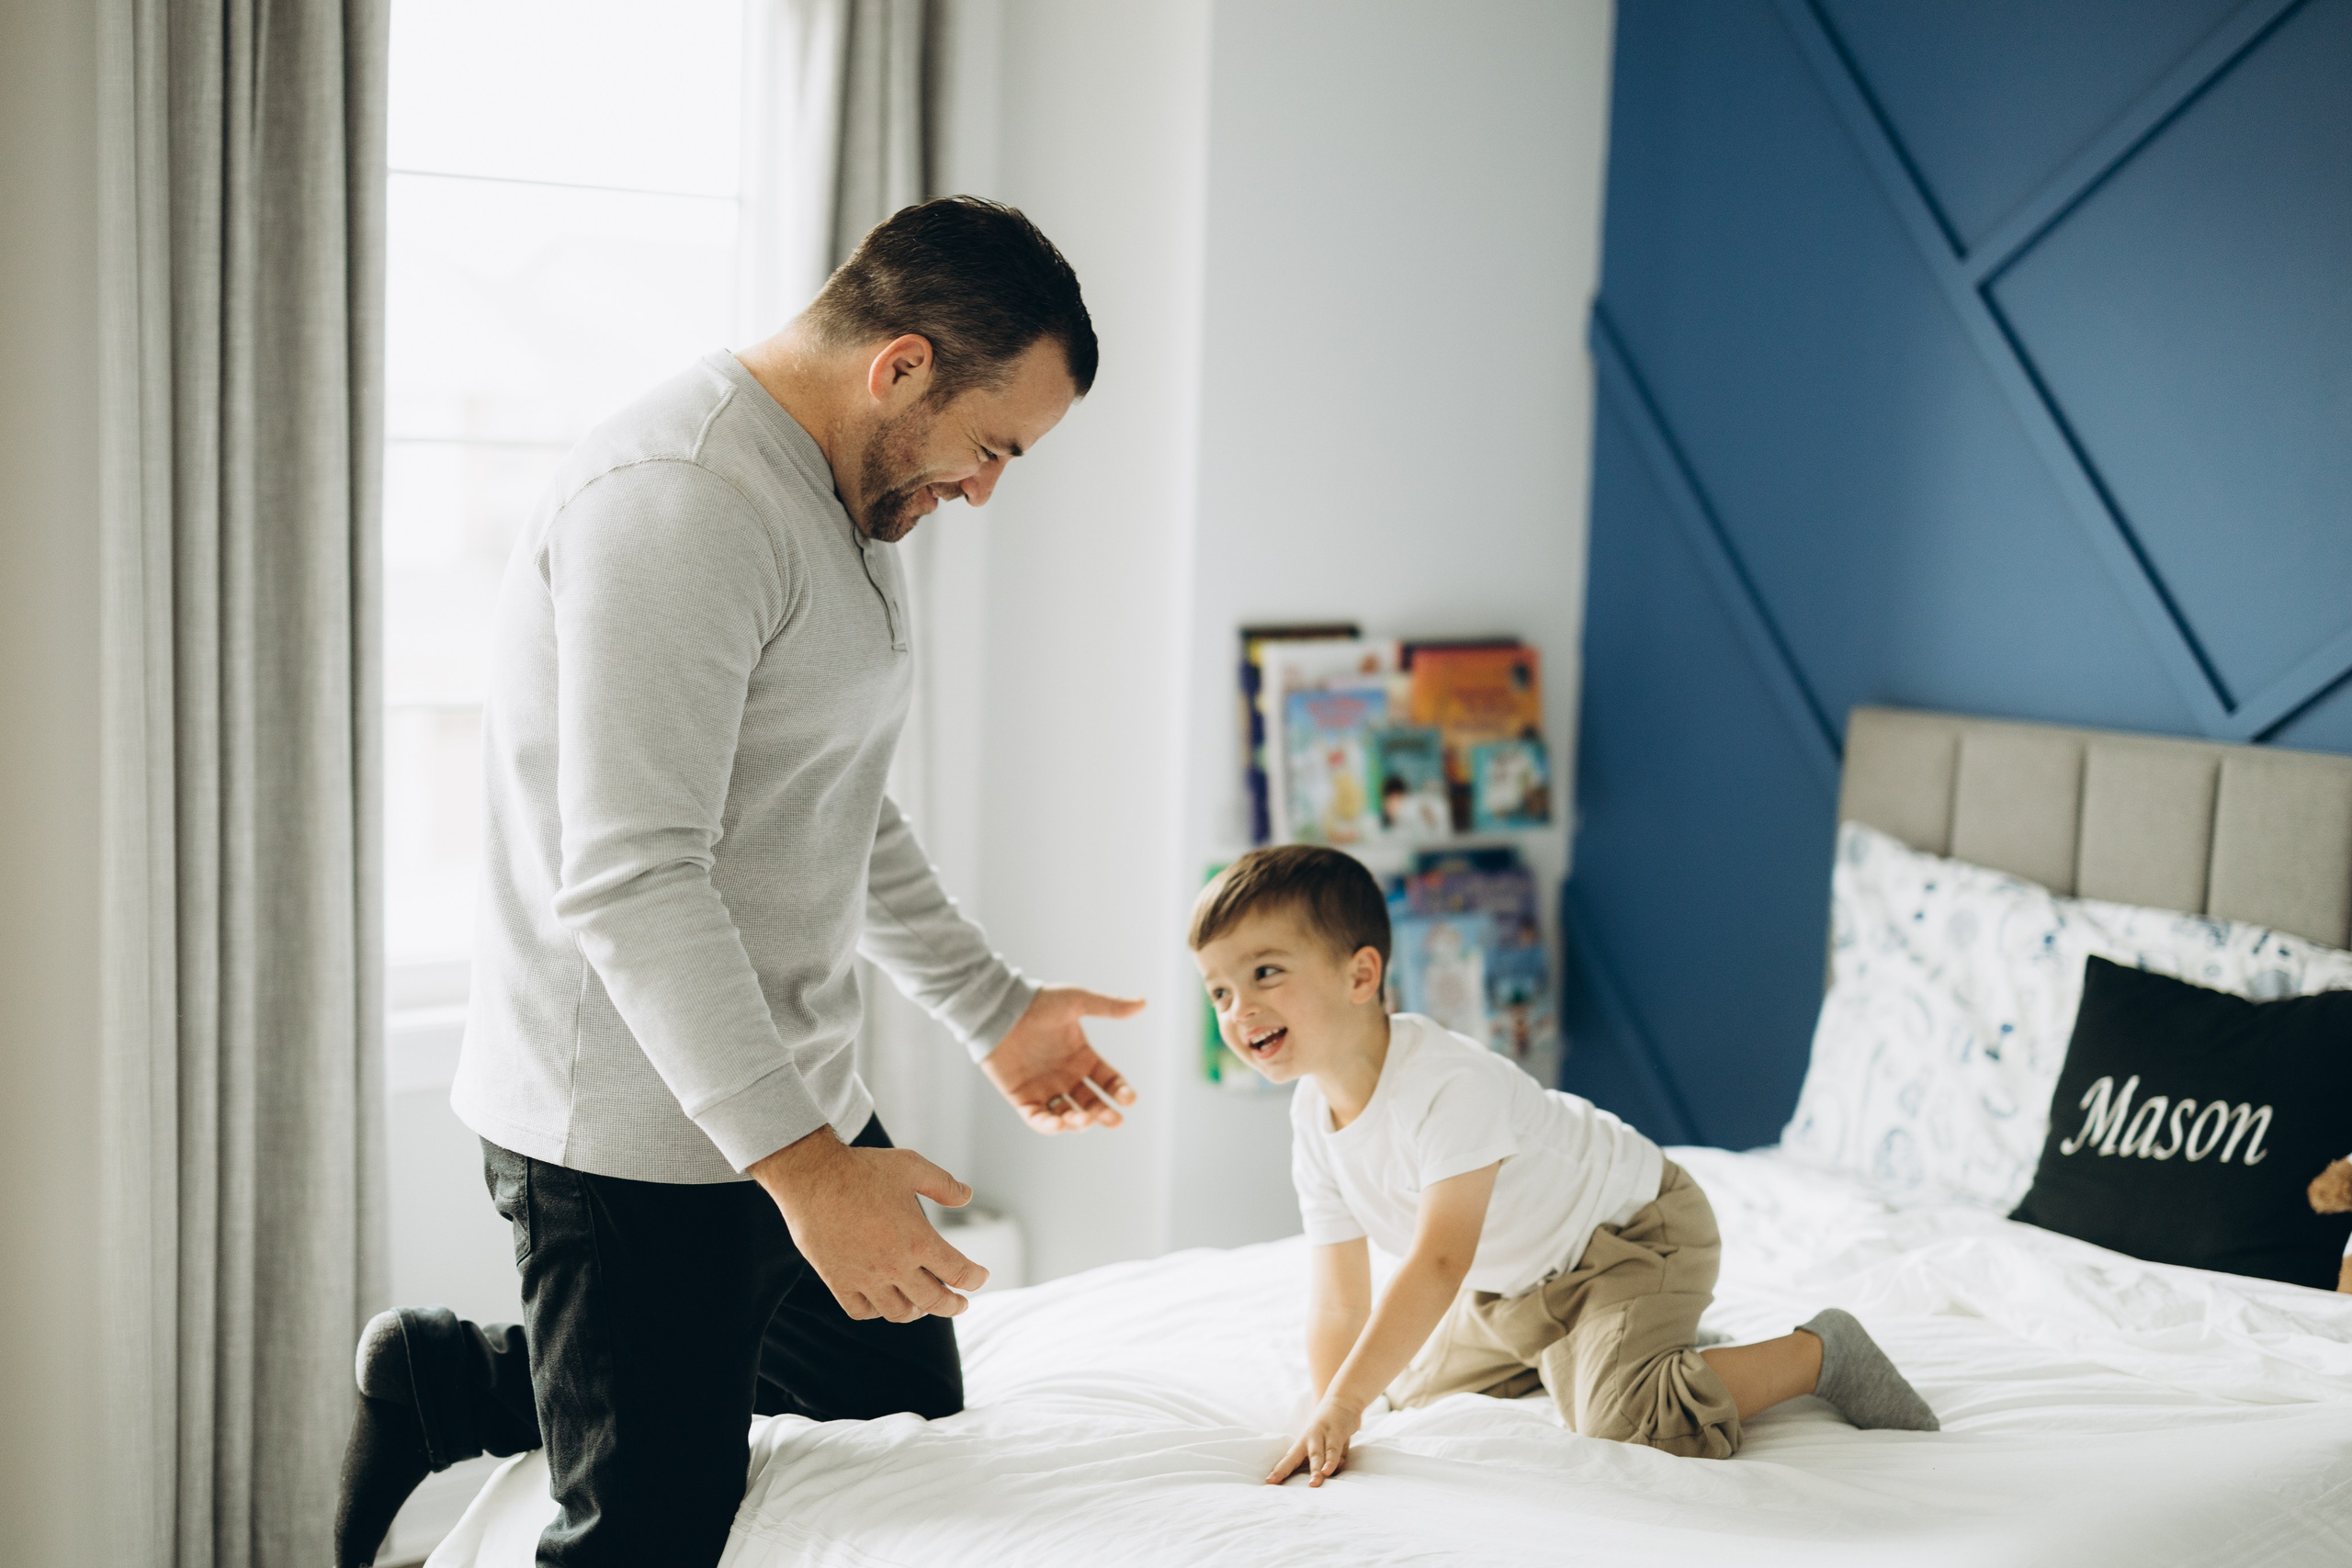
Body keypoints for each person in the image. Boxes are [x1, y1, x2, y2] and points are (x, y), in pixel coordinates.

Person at [336, 197, 1145, 1567]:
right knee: (650, 1533)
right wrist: (812, 1171)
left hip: (787, 1086)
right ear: (899, 366)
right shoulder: (685, 497)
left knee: (894, 1400)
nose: (987, 489)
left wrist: (993, 1007)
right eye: (991, 446)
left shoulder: (844, 499)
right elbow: (631, 876)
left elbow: (825, 791)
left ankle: (465, 1376)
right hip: (633, 1129)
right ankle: (499, 1378)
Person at [1186, 845, 1937, 1488]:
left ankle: (1818, 1351)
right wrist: (1333, 1408)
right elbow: (1339, 1304)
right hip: (1516, 1281)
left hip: (1633, 1234)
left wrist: (1345, 1402)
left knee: (1628, 1418)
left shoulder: (1448, 1085)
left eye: (1265, 972)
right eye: (1219, 989)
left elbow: (1440, 1261)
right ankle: (1606, 1343)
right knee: (1402, 1386)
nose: (1238, 1007)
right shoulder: (1313, 1117)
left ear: (1360, 975)